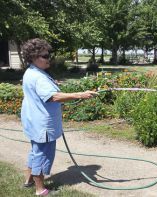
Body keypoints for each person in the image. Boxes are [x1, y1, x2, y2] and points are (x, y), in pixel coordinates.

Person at [20, 38, 98, 196]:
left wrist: (53, 83)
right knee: (41, 155)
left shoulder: (32, 72)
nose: (49, 58)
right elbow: (52, 97)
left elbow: (44, 91)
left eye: (49, 55)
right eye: (44, 56)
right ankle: (40, 190)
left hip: (33, 121)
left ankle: (28, 182)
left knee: (35, 152)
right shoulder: (38, 77)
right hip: (43, 125)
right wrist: (80, 95)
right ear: (33, 57)